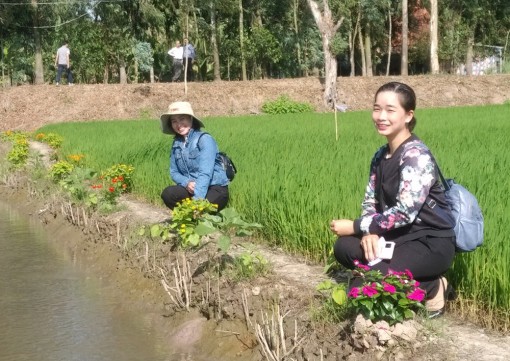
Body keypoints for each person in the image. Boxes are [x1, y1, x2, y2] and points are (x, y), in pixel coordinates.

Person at [330, 82, 456, 318]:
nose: (381, 116)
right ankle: (389, 271)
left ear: (408, 116)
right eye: (377, 109)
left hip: (430, 242)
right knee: (344, 247)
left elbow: (405, 212)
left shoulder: (416, 156)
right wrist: (370, 233)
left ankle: (433, 287)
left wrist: (356, 226)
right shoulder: (380, 155)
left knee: (361, 289)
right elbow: (370, 201)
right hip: (399, 236)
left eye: (390, 110)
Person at [160, 101, 229, 210]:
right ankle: (191, 218)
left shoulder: (205, 139)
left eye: (182, 119)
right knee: (168, 194)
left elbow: (205, 173)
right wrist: (187, 183)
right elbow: (174, 172)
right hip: (191, 188)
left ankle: (195, 216)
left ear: (191, 119)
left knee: (202, 208)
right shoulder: (176, 144)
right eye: (174, 121)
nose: (178, 125)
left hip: (214, 187)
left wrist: (197, 201)